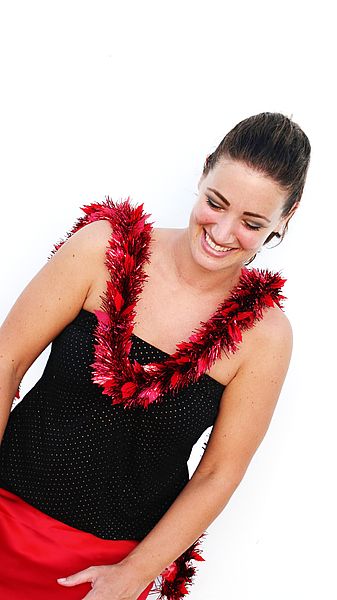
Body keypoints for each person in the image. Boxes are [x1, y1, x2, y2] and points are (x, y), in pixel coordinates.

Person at [0, 111, 311, 600]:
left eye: (252, 223)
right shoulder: (102, 249)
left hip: (108, 568)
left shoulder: (264, 338)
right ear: (204, 172)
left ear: (284, 219)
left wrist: (133, 574)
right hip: (6, 512)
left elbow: (218, 473)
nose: (224, 232)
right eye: (216, 202)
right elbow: (7, 361)